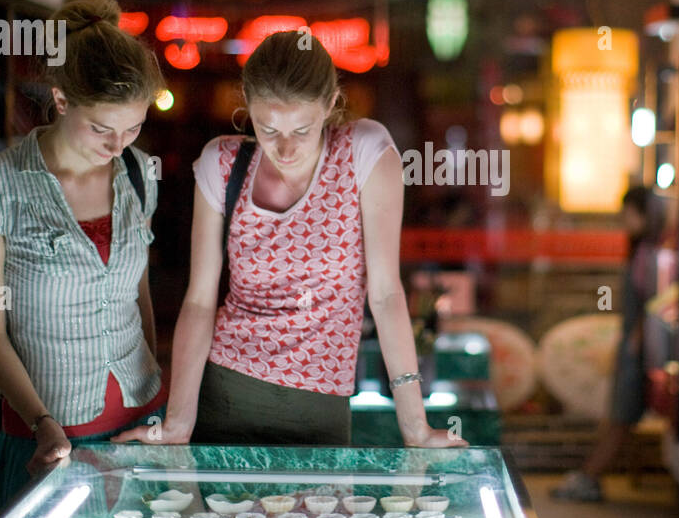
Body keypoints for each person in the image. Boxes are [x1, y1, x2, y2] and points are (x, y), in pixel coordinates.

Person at [115, 30, 466, 449]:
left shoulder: (364, 153)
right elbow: (199, 301)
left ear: (331, 104)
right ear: (245, 105)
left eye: (302, 130)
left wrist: (416, 429)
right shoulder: (222, 163)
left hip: (321, 406)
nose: (284, 148)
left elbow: (387, 294)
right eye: (267, 128)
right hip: (225, 391)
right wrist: (177, 424)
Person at [0, 0, 167, 518]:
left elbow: (138, 290)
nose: (119, 145)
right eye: (103, 129)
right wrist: (40, 421)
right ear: (61, 100)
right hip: (50, 432)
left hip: (143, 423)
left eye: (134, 128)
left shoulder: (141, 172)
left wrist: (158, 384)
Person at [552, 186, 662, 501]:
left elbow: (651, 301)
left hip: (637, 347)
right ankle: (589, 475)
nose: (624, 221)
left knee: (620, 417)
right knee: (617, 416)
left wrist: (635, 340)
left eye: (629, 214)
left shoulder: (650, 253)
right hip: (632, 343)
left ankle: (589, 477)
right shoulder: (641, 250)